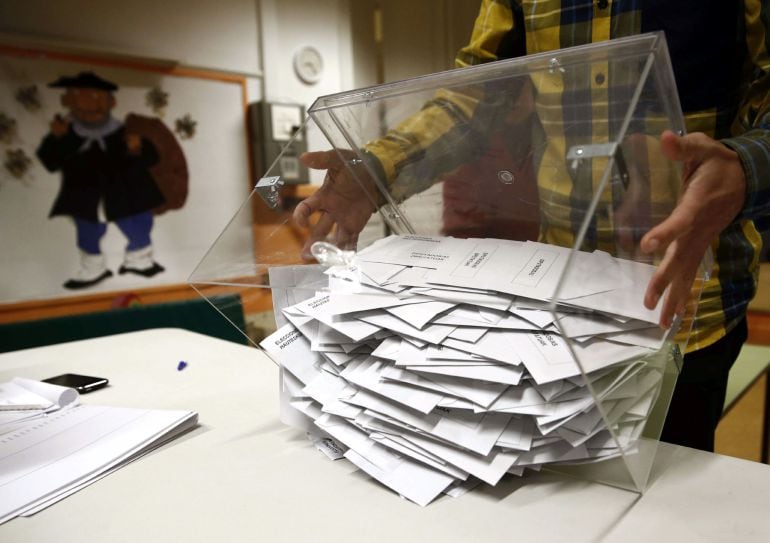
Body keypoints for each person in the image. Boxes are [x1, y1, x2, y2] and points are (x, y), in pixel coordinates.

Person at [293, 1, 770, 453]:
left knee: (672, 501)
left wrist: (745, 167)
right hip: (556, 298)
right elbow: (477, 95)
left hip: (687, 294)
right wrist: (377, 169)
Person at [37, 71, 166, 289]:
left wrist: (137, 149)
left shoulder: (126, 132)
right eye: (78, 95)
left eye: (95, 96)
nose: (87, 102)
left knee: (139, 224)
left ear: (111, 101)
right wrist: (60, 140)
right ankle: (92, 268)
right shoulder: (65, 134)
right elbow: (50, 162)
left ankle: (139, 260)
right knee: (88, 230)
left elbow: (152, 158)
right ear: (67, 100)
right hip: (86, 194)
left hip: (127, 192)